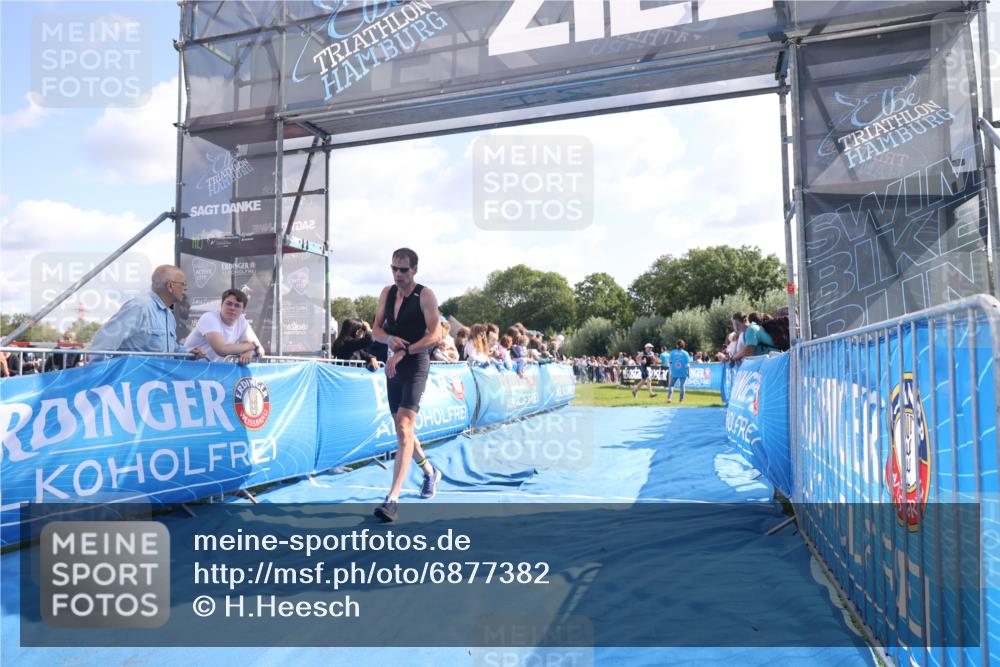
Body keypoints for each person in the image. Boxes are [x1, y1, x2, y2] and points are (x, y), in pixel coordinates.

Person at [372, 248, 442, 522]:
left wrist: (404, 351)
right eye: (394, 269)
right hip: (393, 367)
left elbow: (435, 336)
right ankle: (429, 472)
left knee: (403, 427)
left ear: (414, 270)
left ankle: (392, 499)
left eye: (403, 270)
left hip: (416, 364)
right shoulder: (386, 293)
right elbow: (376, 330)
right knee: (405, 432)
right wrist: (389, 340)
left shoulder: (425, 295)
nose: (398, 274)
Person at [89, 265, 203, 358]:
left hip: (157, 379)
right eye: (183, 284)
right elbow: (103, 344)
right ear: (170, 286)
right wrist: (104, 375)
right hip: (132, 379)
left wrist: (189, 354)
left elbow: (170, 351)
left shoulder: (169, 315)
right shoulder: (139, 307)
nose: (186, 289)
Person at [183, 289, 266, 364]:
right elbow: (222, 350)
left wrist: (249, 352)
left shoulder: (241, 321)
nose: (232, 308)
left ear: (243, 311)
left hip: (214, 369)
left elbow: (261, 350)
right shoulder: (209, 318)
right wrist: (250, 346)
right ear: (221, 305)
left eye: (237, 305)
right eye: (229, 304)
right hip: (187, 367)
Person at [666, 339, 691, 404]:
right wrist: (688, 372)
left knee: (671, 385)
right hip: (683, 371)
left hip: (674, 371)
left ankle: (669, 398)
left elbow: (670, 362)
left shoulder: (672, 352)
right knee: (682, 386)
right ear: (683, 345)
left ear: (677, 345)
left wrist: (672, 367)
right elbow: (688, 364)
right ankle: (681, 400)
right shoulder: (685, 353)